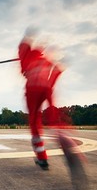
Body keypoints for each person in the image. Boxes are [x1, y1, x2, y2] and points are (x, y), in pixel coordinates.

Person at [18, 28, 64, 170]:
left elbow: (22, 49)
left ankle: (42, 158)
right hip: (47, 88)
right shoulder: (45, 60)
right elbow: (56, 70)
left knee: (34, 123)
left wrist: (27, 38)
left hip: (33, 90)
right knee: (52, 114)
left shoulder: (28, 58)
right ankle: (60, 130)